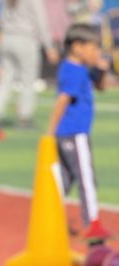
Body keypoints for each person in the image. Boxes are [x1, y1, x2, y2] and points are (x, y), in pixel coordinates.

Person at [47, 23, 111, 240]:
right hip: (75, 133)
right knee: (86, 178)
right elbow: (63, 100)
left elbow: (101, 87)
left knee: (65, 181)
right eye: (93, 48)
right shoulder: (73, 71)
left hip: (69, 134)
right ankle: (92, 221)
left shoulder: (80, 68)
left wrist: (101, 69)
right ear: (77, 47)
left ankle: (50, 217)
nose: (97, 53)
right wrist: (50, 131)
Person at [0, 0, 59, 139]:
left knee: (5, 80)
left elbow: (0, 18)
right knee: (28, 81)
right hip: (25, 38)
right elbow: (41, 21)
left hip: (7, 38)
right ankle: (24, 117)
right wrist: (49, 45)